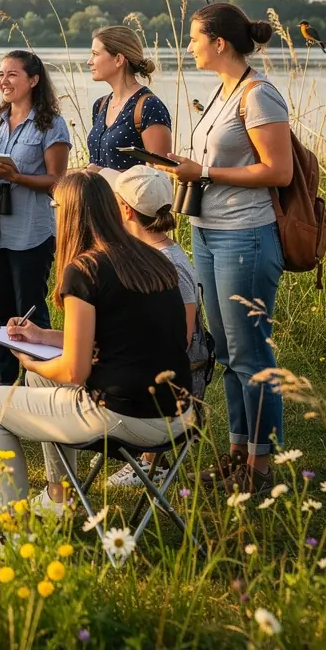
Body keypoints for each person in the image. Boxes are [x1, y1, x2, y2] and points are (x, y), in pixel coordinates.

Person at [0, 171, 194, 514]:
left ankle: (12, 529)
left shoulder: (86, 270)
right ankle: (61, 497)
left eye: (56, 206)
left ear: (70, 213)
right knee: (38, 382)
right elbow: (119, 335)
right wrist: (41, 336)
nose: (54, 212)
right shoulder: (151, 258)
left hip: (126, 417)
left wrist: (31, 360)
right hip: (178, 415)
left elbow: (75, 371)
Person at [162, 3, 292, 495]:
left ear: (219, 42)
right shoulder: (222, 93)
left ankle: (260, 468)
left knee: (251, 352)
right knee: (227, 351)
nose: (189, 46)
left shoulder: (259, 95)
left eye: (194, 38)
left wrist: (208, 174)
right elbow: (218, 160)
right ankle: (238, 451)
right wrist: (186, 165)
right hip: (209, 231)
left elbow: (278, 172)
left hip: (246, 236)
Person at [0, 50, 70, 384]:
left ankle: (39, 383)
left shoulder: (51, 124)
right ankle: (6, 385)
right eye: (1, 74)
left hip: (31, 232)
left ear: (33, 80)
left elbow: (57, 181)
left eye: (12, 74)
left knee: (29, 313)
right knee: (0, 315)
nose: (4, 81)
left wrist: (16, 176)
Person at [98, 164, 199, 487]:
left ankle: (150, 462)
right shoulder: (143, 252)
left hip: (166, 380)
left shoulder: (170, 263)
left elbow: (180, 338)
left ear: (125, 210)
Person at [86, 25, 172, 171]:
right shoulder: (100, 105)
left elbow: (161, 174)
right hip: (95, 195)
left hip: (131, 195)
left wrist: (103, 174)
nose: (89, 61)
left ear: (119, 59)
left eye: (95, 54)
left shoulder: (149, 106)